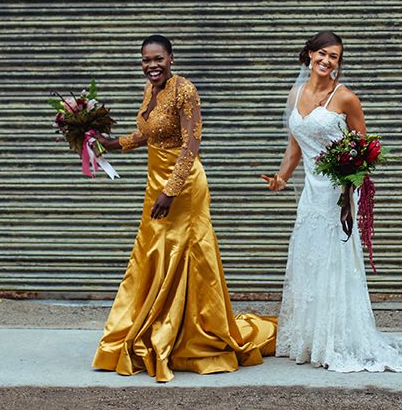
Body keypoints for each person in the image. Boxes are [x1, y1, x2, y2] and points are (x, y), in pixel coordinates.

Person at [92, 34, 277, 382]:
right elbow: (148, 135)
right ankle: (161, 329)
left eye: (158, 59)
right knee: (152, 255)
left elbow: (192, 142)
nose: (151, 66)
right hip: (155, 183)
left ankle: (190, 335)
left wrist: (171, 191)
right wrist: (112, 144)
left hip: (184, 185)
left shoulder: (184, 90)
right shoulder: (153, 91)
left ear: (171, 59)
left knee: (185, 254)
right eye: (146, 60)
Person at [262, 31, 402, 372]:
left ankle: (337, 339)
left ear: (338, 63)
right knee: (309, 256)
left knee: (333, 258)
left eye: (334, 57)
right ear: (309, 55)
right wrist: (281, 177)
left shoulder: (346, 99)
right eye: (322, 53)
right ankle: (312, 337)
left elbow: (365, 149)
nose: (327, 61)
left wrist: (348, 177)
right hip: (311, 189)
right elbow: (295, 145)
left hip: (336, 191)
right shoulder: (295, 94)